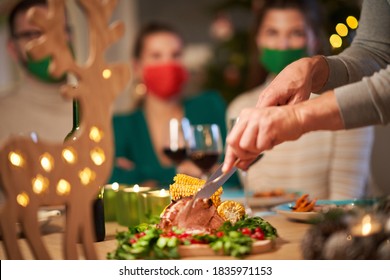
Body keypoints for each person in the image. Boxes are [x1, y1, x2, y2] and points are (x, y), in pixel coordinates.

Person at [222, 0, 390, 197]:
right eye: (272, 33)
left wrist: (298, 117)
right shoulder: (240, 109)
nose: (283, 45)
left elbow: (345, 202)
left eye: (296, 33)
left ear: (314, 39)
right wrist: (314, 67)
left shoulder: (347, 99)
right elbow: (375, 51)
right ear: (257, 39)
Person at [108, 22, 239, 188]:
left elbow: (232, 173)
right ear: (137, 67)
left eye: (175, 55)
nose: (168, 63)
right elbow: (113, 179)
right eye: (156, 56)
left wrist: (142, 174)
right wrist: (181, 171)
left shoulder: (209, 106)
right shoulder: (122, 125)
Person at [0, 0, 72, 145]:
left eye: (57, 30)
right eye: (34, 34)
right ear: (13, 49)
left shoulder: (102, 105)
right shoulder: (3, 115)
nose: (49, 42)